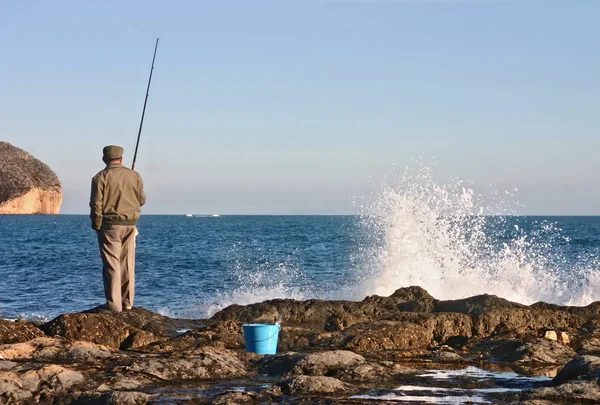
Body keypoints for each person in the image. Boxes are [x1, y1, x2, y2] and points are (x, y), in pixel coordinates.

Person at [90, 145, 146, 312]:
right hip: (130, 225)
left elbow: (96, 205)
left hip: (110, 226)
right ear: (121, 158)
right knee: (128, 263)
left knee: (112, 264)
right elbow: (141, 200)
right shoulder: (134, 175)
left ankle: (114, 305)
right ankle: (127, 302)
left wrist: (97, 224)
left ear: (104, 159)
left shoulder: (99, 178)